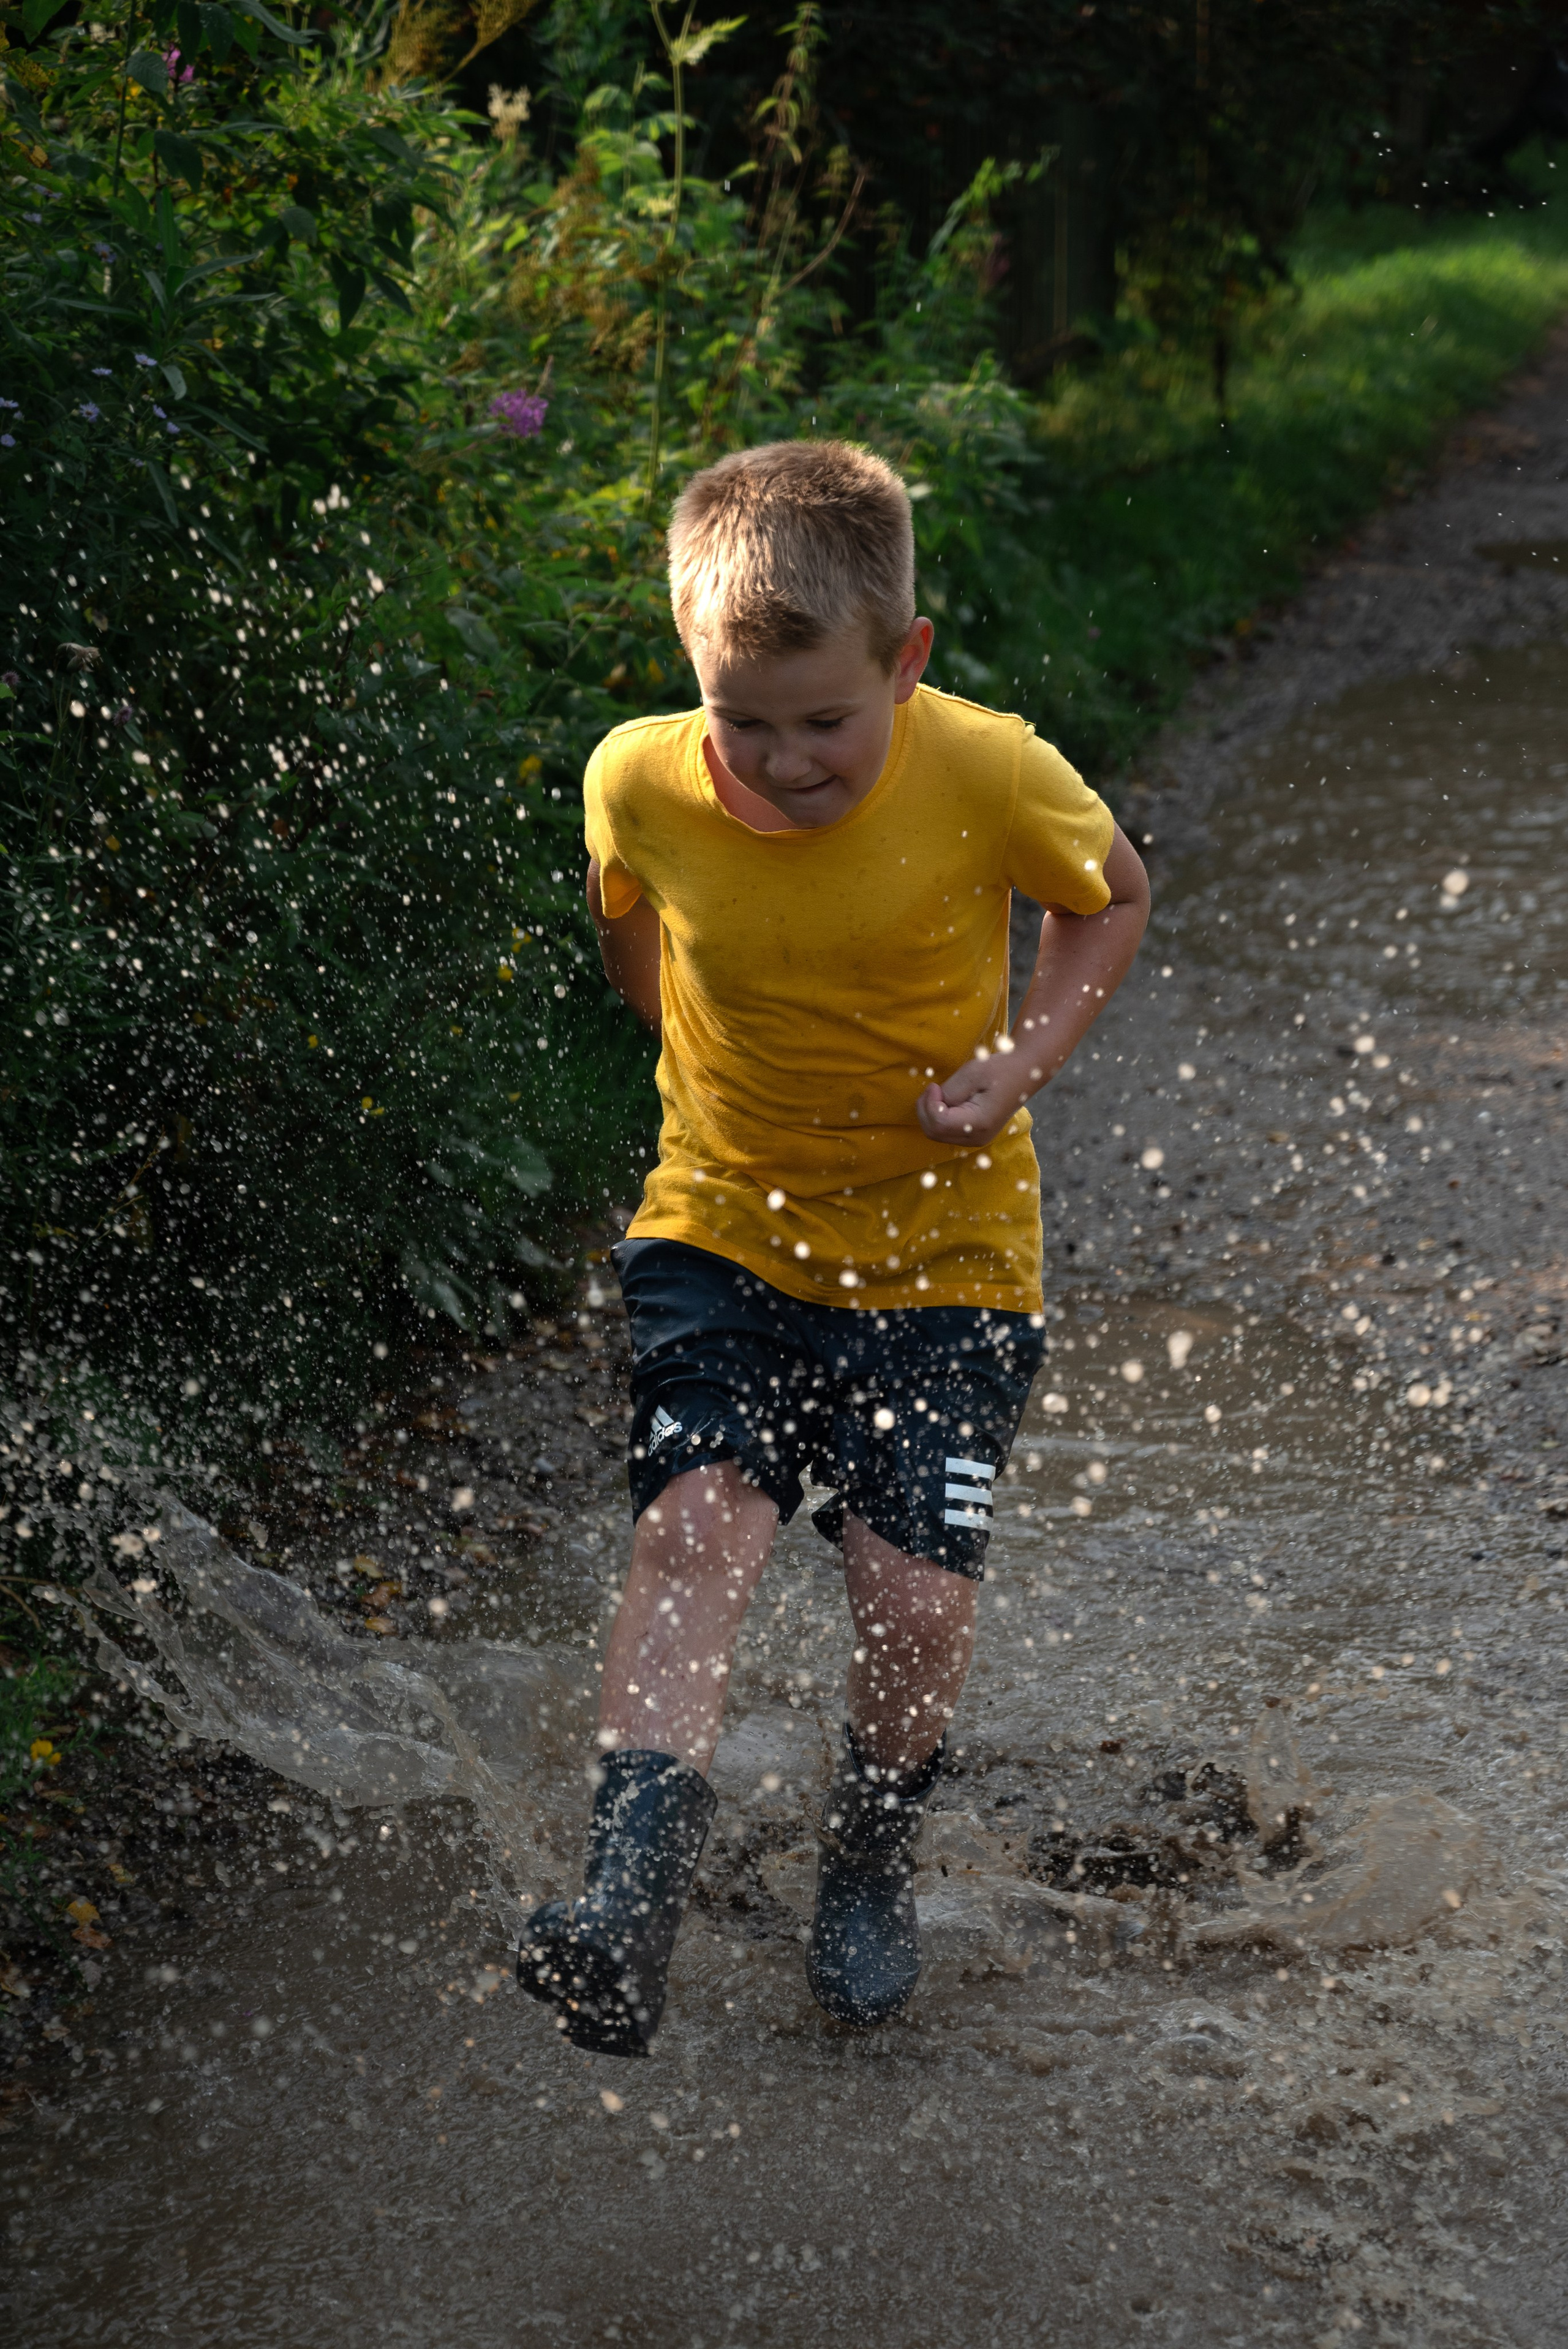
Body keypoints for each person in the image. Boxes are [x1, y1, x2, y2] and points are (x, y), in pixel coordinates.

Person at [518, 439, 1148, 2057]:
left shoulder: (989, 770)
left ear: (906, 660)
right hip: (723, 1224)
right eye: (745, 721)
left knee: (913, 1597)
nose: (784, 764)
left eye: (824, 724)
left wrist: (1022, 1061)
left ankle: (867, 1857)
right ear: (692, 670)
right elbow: (630, 919)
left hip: (946, 1255)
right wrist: (689, 1048)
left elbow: (1113, 894)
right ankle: (624, 1905)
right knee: (695, 1531)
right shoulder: (637, 779)